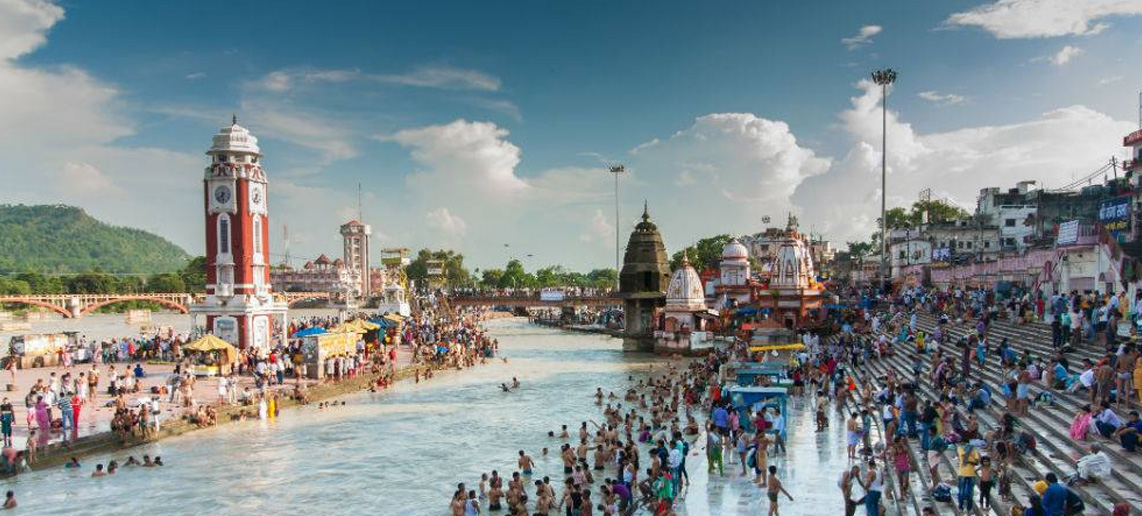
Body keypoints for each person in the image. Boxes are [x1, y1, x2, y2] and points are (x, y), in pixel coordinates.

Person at [956, 443, 980, 511]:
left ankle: (961, 507)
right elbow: (976, 462)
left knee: (962, 491)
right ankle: (969, 509)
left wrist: (968, 461)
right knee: (969, 492)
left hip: (962, 473)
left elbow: (965, 459)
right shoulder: (974, 449)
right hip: (970, 474)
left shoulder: (960, 448)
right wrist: (971, 460)